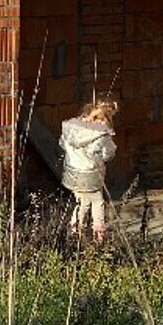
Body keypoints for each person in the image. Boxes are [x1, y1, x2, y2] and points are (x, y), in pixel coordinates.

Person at [60, 99, 117, 242]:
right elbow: (108, 153)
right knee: (98, 202)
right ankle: (99, 234)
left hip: (72, 171)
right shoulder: (100, 134)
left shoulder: (71, 127)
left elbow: (62, 143)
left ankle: (75, 232)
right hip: (90, 174)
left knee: (82, 202)